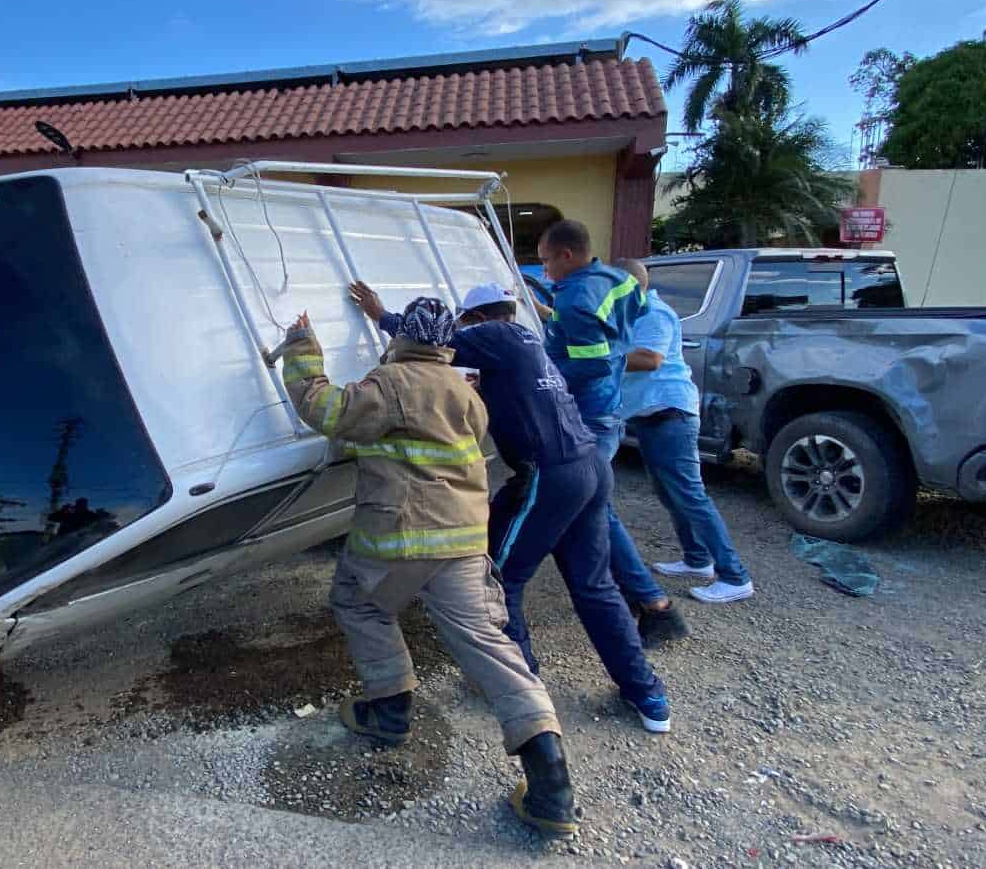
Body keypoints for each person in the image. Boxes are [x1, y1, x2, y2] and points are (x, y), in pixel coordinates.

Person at [275, 298, 578, 835]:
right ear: (445, 341)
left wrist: (302, 351)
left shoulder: (392, 382)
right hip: (462, 541)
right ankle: (550, 781)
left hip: (398, 536)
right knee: (488, 644)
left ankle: (389, 710)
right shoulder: (466, 391)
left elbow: (328, 412)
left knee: (359, 603)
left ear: (404, 337)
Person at [351, 279, 672, 733]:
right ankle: (648, 696)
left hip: (548, 473)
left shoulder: (493, 336)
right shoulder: (527, 340)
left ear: (478, 318)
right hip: (589, 466)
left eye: (465, 322)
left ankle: (523, 689)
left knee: (499, 579)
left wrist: (380, 314)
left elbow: (428, 335)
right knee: (595, 585)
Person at [537, 220, 689, 646]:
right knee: (592, 508)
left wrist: (543, 374)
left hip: (589, 413)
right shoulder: (614, 279)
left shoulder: (576, 295)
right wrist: (555, 321)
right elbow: (613, 333)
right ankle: (645, 601)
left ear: (567, 255)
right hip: (608, 407)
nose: (544, 270)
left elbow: (590, 363)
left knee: (595, 509)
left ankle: (654, 606)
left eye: (547, 260)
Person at [615, 259, 755, 604]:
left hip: (670, 415)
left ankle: (735, 576)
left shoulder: (654, 313)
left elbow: (650, 359)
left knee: (691, 496)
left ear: (628, 285)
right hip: (650, 416)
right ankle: (697, 559)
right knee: (669, 493)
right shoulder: (630, 314)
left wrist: (598, 356)